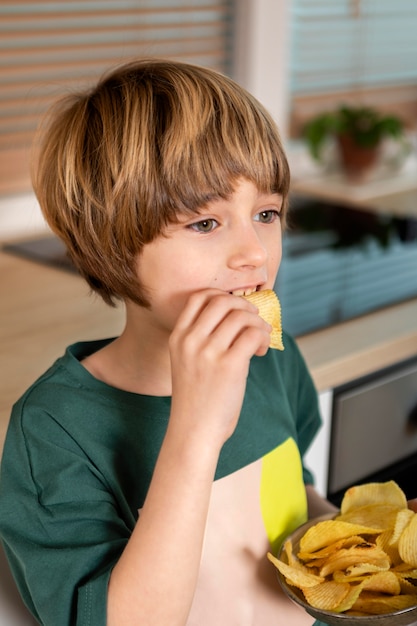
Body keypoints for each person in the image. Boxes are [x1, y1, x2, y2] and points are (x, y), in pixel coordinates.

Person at [0, 58, 337, 626]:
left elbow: (293, 498)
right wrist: (197, 429)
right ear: (110, 241)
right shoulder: (54, 431)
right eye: (205, 223)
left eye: (266, 212)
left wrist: (360, 534)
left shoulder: (272, 359)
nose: (254, 252)